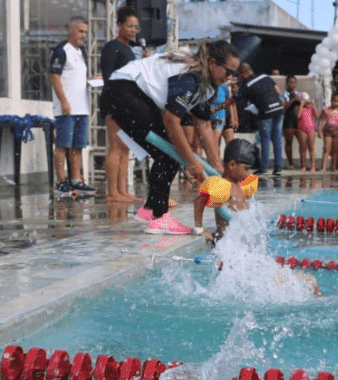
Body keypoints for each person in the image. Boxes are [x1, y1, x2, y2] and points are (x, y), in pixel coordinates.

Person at [102, 40, 240, 234]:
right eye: (229, 71)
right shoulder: (189, 76)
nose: (230, 78)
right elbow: (171, 120)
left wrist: (217, 167)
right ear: (212, 63)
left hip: (131, 93)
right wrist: (192, 163)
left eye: (234, 74)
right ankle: (159, 217)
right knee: (168, 153)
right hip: (122, 90)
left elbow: (204, 124)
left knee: (172, 153)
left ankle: (149, 210)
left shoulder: (209, 86)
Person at [50, 17, 96, 196]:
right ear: (71, 30)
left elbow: (74, 78)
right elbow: (55, 76)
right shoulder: (62, 51)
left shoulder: (79, 52)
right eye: (80, 31)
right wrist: (63, 101)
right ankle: (61, 180)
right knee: (62, 144)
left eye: (85, 32)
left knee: (78, 145)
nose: (83, 35)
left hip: (81, 107)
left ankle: (76, 179)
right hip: (66, 108)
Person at [100, 7, 140, 203]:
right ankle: (112, 192)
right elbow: (108, 78)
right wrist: (115, 103)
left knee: (125, 148)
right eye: (130, 26)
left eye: (136, 27)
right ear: (119, 26)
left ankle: (122, 191)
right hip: (114, 102)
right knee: (115, 147)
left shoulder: (130, 50)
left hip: (128, 103)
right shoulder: (111, 48)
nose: (133, 30)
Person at [193, 138, 255, 241]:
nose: (248, 174)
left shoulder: (241, 185)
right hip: (225, 240)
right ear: (232, 165)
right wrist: (199, 229)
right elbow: (199, 200)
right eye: (246, 169)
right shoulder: (222, 186)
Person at [234, 63, 284, 175]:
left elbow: (239, 100)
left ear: (243, 73)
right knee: (277, 139)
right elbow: (278, 91)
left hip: (265, 112)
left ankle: (264, 167)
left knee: (265, 140)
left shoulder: (247, 84)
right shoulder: (265, 76)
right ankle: (278, 168)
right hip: (279, 109)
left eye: (240, 74)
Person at [318, 94, 338, 172]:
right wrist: (319, 131)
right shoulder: (326, 110)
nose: (335, 103)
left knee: (335, 149)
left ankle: (334, 167)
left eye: (337, 101)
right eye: (334, 101)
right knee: (327, 149)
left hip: (337, 132)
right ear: (331, 101)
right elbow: (320, 120)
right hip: (328, 131)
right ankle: (324, 167)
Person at [280, 75, 301, 171]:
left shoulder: (298, 93)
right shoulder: (283, 94)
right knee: (289, 142)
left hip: (299, 120)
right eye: (290, 82)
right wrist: (293, 100)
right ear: (287, 83)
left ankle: (303, 164)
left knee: (303, 142)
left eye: (293, 82)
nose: (292, 84)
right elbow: (285, 107)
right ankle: (290, 163)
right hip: (288, 120)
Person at [296, 92, 317, 171]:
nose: (306, 102)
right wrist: (301, 105)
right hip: (302, 129)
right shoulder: (299, 108)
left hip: (311, 129)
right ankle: (303, 166)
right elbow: (298, 116)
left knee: (311, 148)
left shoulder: (310, 108)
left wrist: (313, 104)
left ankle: (313, 166)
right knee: (303, 148)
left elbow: (317, 115)